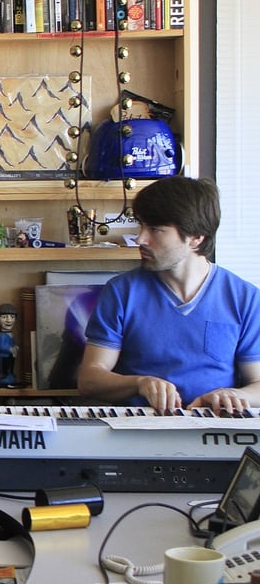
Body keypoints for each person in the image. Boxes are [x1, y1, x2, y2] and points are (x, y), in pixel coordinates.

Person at [77, 176, 260, 414]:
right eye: (140, 226)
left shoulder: (245, 298)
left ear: (195, 237)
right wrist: (140, 383)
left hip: (213, 429)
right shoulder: (121, 292)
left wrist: (234, 395)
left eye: (155, 229)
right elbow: (90, 380)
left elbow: (257, 384)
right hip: (138, 428)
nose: (140, 239)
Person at [0, 303, 20, 386]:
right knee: (4, 368)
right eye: (4, 317)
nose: (9, 320)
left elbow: (12, 343)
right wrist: (10, 349)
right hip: (3, 356)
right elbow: (1, 347)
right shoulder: (1, 335)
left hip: (10, 355)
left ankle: (10, 375)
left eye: (12, 317)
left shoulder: (10, 334)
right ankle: (3, 378)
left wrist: (15, 347)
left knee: (11, 366)